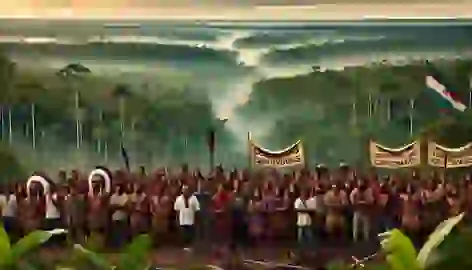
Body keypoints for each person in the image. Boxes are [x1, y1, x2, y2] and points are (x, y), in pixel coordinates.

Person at [174, 185, 200, 251]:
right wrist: (177, 219)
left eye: (187, 190)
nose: (185, 192)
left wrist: (197, 219)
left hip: (191, 219)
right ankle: (185, 246)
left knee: (190, 233)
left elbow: (197, 209)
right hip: (182, 219)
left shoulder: (194, 198)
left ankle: (190, 246)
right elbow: (177, 210)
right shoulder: (178, 199)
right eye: (184, 190)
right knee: (184, 233)